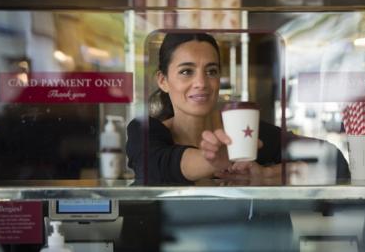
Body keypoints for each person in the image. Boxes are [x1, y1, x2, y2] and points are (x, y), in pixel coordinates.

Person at [126, 32, 350, 185]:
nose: (201, 83)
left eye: (211, 71)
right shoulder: (145, 130)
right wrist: (216, 160)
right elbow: (154, 168)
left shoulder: (246, 132)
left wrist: (267, 176)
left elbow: (333, 161)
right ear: (163, 80)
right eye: (186, 71)